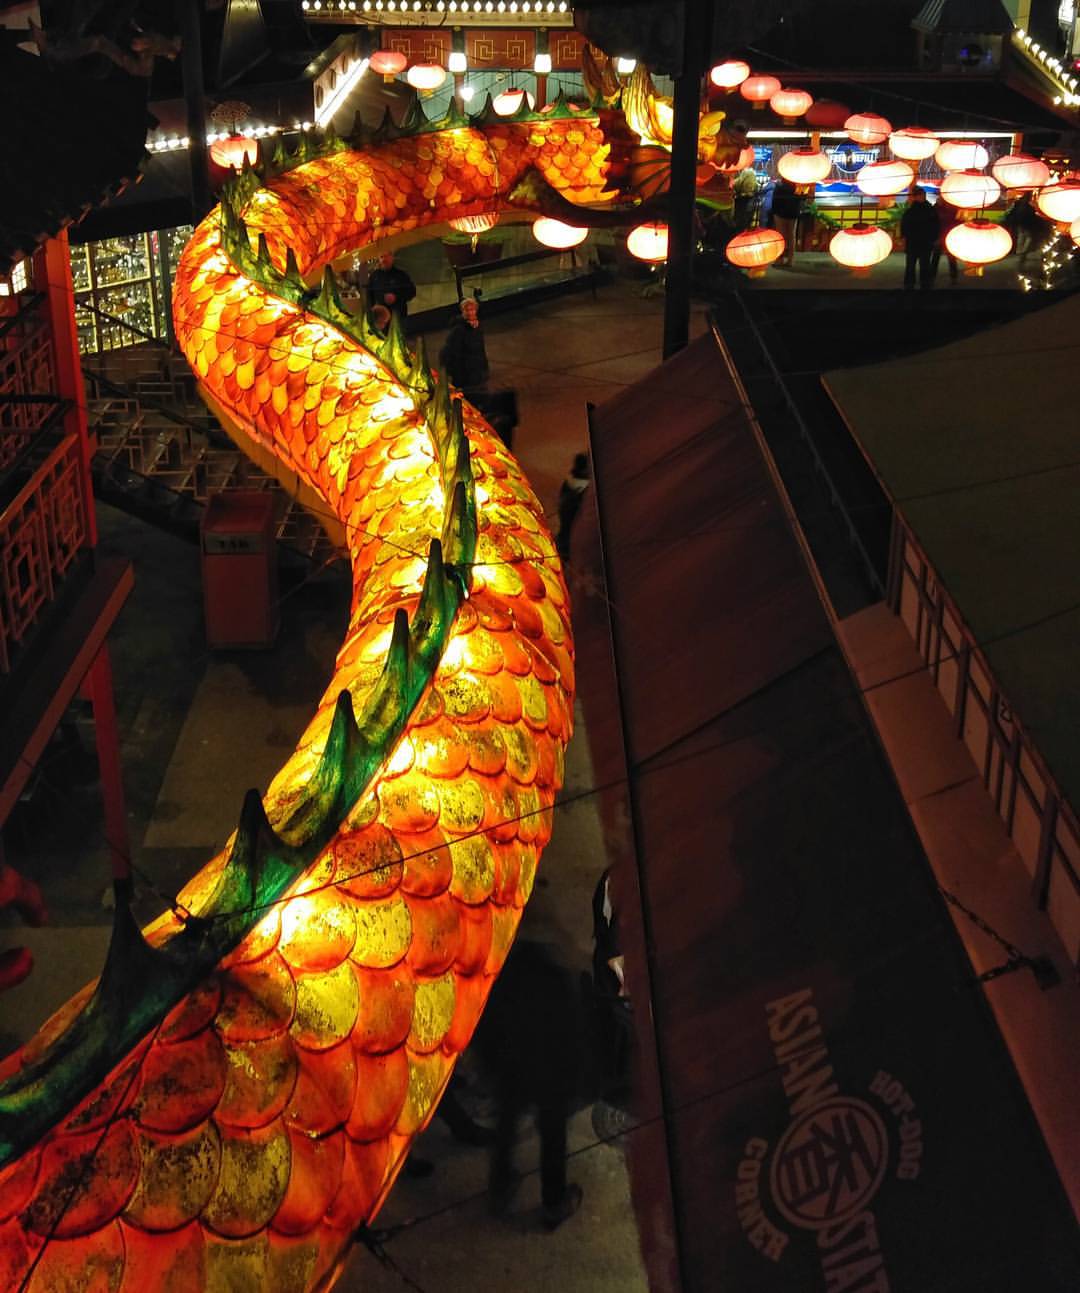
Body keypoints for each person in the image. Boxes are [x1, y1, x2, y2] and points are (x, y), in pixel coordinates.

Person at [471, 938, 585, 1230]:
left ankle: (500, 1187)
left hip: (509, 1061)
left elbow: (484, 1019)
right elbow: (570, 1028)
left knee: (506, 1121)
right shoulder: (556, 973)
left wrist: (487, 1064)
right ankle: (553, 1202)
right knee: (552, 1131)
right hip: (548, 1066)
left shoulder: (500, 966)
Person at [439, 296, 490, 402]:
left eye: (473, 309)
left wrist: (484, 367)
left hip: (476, 372)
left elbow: (480, 348)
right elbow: (452, 352)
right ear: (463, 311)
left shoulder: (477, 327)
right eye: (467, 310)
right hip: (464, 374)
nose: (470, 312)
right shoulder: (459, 329)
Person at [900, 187, 940, 290]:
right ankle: (922, 284)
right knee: (919, 265)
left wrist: (904, 238)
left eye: (922, 195)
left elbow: (935, 225)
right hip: (921, 242)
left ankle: (914, 284)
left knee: (916, 265)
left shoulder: (913, 210)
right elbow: (935, 225)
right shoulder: (927, 210)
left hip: (919, 242)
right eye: (920, 195)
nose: (922, 197)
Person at [555, 452, 590, 563]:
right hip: (573, 518)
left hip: (565, 514)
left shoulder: (569, 481)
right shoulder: (584, 487)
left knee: (564, 533)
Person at [366, 250, 416, 318]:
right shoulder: (374, 276)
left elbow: (412, 292)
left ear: (392, 257)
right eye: (381, 257)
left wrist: (396, 297)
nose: (384, 259)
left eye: (386, 256)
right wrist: (381, 299)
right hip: (381, 318)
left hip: (399, 315)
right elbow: (369, 295)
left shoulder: (401, 275)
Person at [770, 177, 802, 266]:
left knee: (781, 236)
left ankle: (780, 259)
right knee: (792, 236)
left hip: (780, 213)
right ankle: (790, 259)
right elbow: (801, 199)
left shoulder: (779, 186)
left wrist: (774, 211)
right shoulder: (797, 186)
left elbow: (775, 200)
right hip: (793, 213)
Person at [932, 199, 961, 284]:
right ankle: (952, 277)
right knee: (937, 258)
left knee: (947, 258)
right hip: (943, 236)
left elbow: (954, 221)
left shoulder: (949, 208)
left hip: (946, 236)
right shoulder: (939, 208)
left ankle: (953, 277)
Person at [733, 165, 758, 232]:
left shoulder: (745, 172)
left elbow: (738, 184)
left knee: (740, 221)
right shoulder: (752, 172)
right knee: (748, 220)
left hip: (742, 200)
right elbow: (756, 187)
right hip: (751, 200)